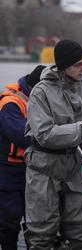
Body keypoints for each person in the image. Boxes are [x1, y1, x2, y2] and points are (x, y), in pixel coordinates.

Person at [24, 39, 82, 249]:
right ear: (63, 65)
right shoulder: (41, 92)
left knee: (80, 229)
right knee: (42, 232)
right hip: (43, 165)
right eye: (78, 64)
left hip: (72, 163)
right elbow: (45, 134)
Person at [0, 65, 45, 250]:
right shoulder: (10, 102)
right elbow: (20, 135)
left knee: (36, 220)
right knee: (9, 221)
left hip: (31, 168)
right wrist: (53, 139)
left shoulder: (39, 100)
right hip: (8, 171)